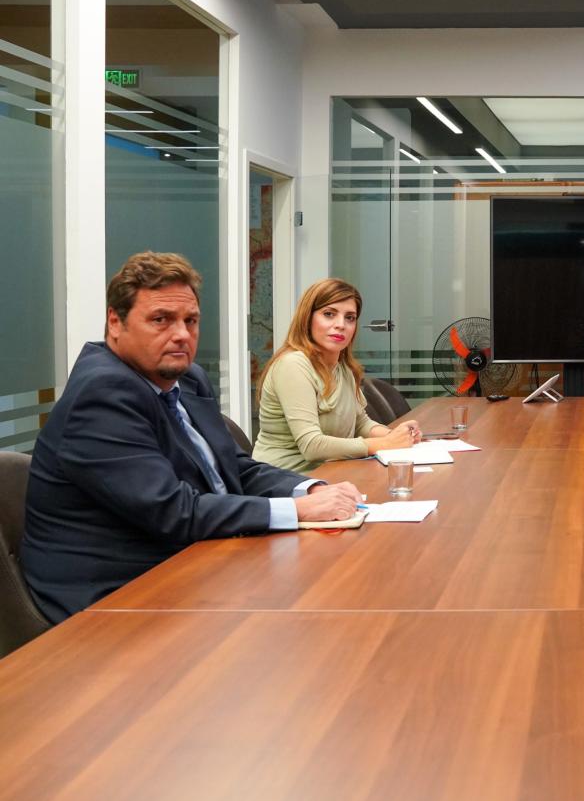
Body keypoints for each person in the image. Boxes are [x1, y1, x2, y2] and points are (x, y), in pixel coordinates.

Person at [21, 252, 364, 623]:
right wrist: (297, 511)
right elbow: (173, 511)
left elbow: (235, 468)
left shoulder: (186, 378)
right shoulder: (102, 394)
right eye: (161, 320)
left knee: (338, 594)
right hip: (120, 597)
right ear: (115, 322)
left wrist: (310, 490)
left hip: (199, 564)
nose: (182, 334)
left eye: (191, 320)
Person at [252, 278, 420, 474]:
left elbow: (361, 423)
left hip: (331, 472)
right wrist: (384, 444)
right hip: (285, 479)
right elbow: (312, 446)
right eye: (329, 314)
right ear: (307, 318)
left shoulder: (343, 368)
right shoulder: (293, 365)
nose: (341, 325)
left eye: (350, 318)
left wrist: (397, 436)